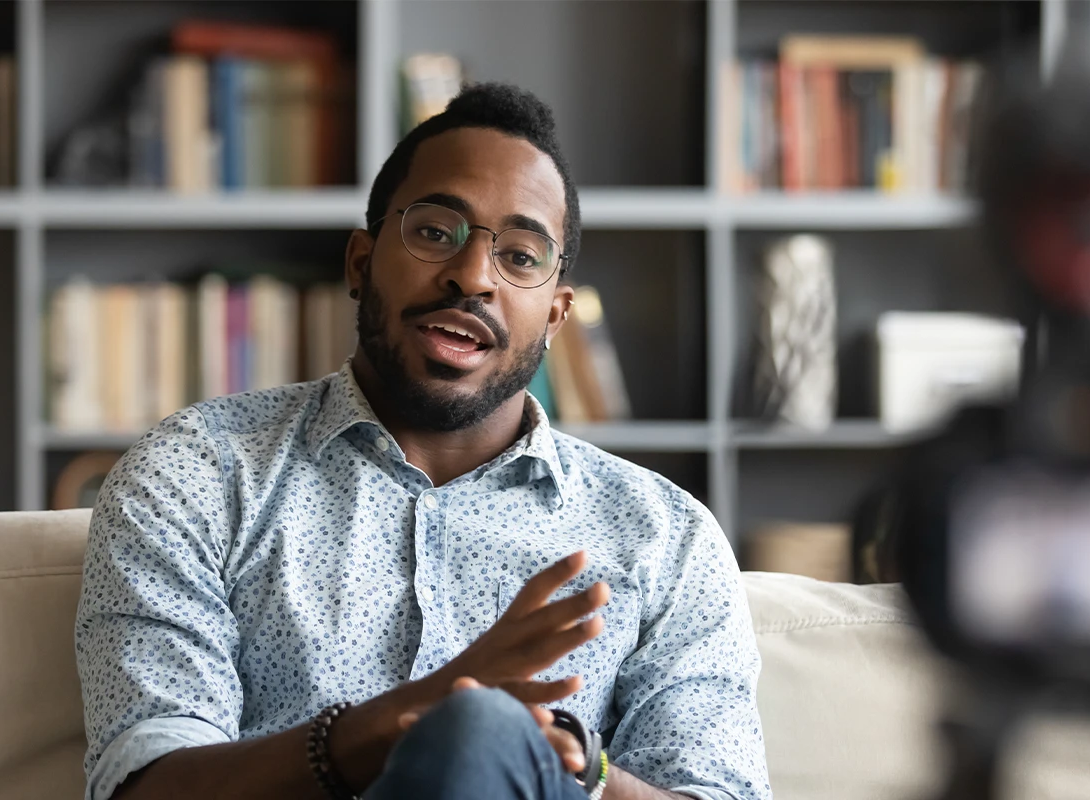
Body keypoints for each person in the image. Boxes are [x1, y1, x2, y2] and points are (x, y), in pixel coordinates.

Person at [76, 83, 769, 800]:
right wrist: (387, 726)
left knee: (485, 735)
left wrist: (570, 764)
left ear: (557, 316)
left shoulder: (665, 537)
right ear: (359, 262)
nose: (472, 276)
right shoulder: (197, 472)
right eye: (436, 232)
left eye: (522, 257)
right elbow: (143, 786)